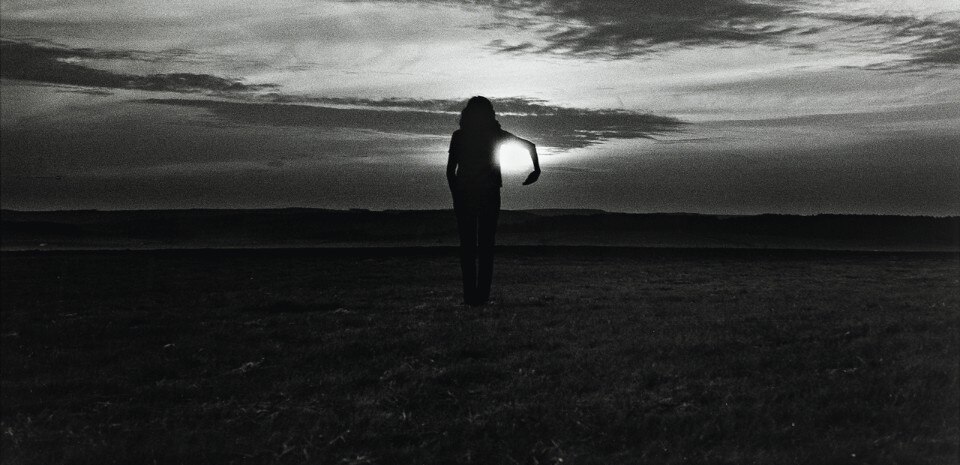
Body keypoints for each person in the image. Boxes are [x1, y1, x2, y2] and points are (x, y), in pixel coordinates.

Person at [446, 96, 540, 306]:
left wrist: (456, 196)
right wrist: (536, 170)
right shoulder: (494, 135)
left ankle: (471, 297)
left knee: (468, 247)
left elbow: (450, 171)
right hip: (488, 195)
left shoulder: (460, 136)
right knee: (486, 247)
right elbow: (530, 146)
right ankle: (481, 298)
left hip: (465, 196)